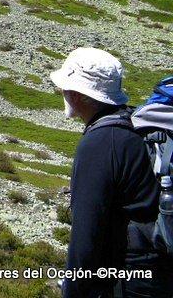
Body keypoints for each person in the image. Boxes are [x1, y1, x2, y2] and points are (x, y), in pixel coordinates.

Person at [50, 47, 173, 297]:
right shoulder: (135, 126)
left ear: (79, 94)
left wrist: (73, 290)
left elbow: (86, 234)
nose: (62, 92)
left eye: (66, 87)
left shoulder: (100, 142)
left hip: (128, 281)